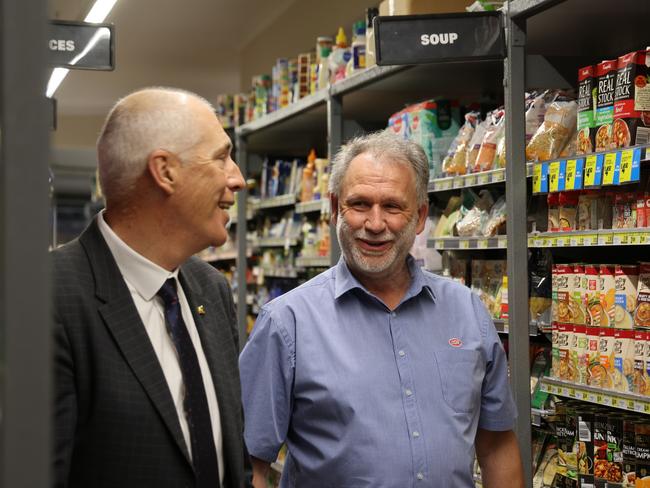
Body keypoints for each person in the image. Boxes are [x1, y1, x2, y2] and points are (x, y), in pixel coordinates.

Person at [239, 131, 524, 488]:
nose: (375, 225)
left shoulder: (466, 310)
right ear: (333, 209)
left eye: (392, 206)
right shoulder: (286, 323)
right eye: (359, 204)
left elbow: (496, 445)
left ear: (419, 216)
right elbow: (253, 467)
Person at [53, 87, 247, 488]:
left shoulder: (210, 289)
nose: (238, 179)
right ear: (165, 171)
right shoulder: (46, 298)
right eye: (221, 157)